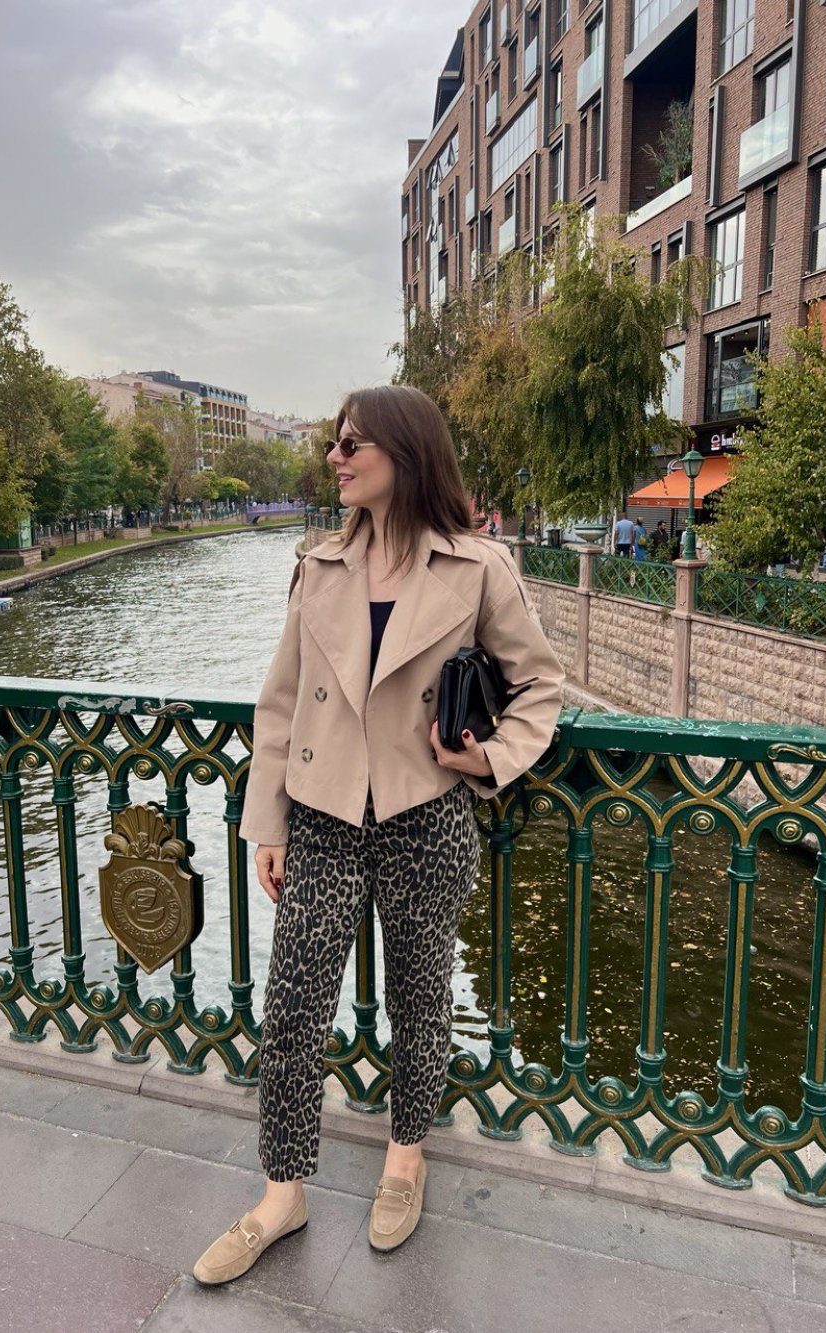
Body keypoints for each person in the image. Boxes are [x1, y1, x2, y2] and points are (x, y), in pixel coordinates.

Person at [193, 385, 564, 1286]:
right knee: (292, 1008)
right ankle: (282, 1191)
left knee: (421, 998)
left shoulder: (478, 568)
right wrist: (267, 821)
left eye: (352, 442)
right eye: (335, 441)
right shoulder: (317, 565)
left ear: (405, 451)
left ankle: (405, 1158)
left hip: (424, 816)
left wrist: (484, 759)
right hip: (321, 818)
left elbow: (540, 686)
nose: (335, 456)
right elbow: (280, 705)